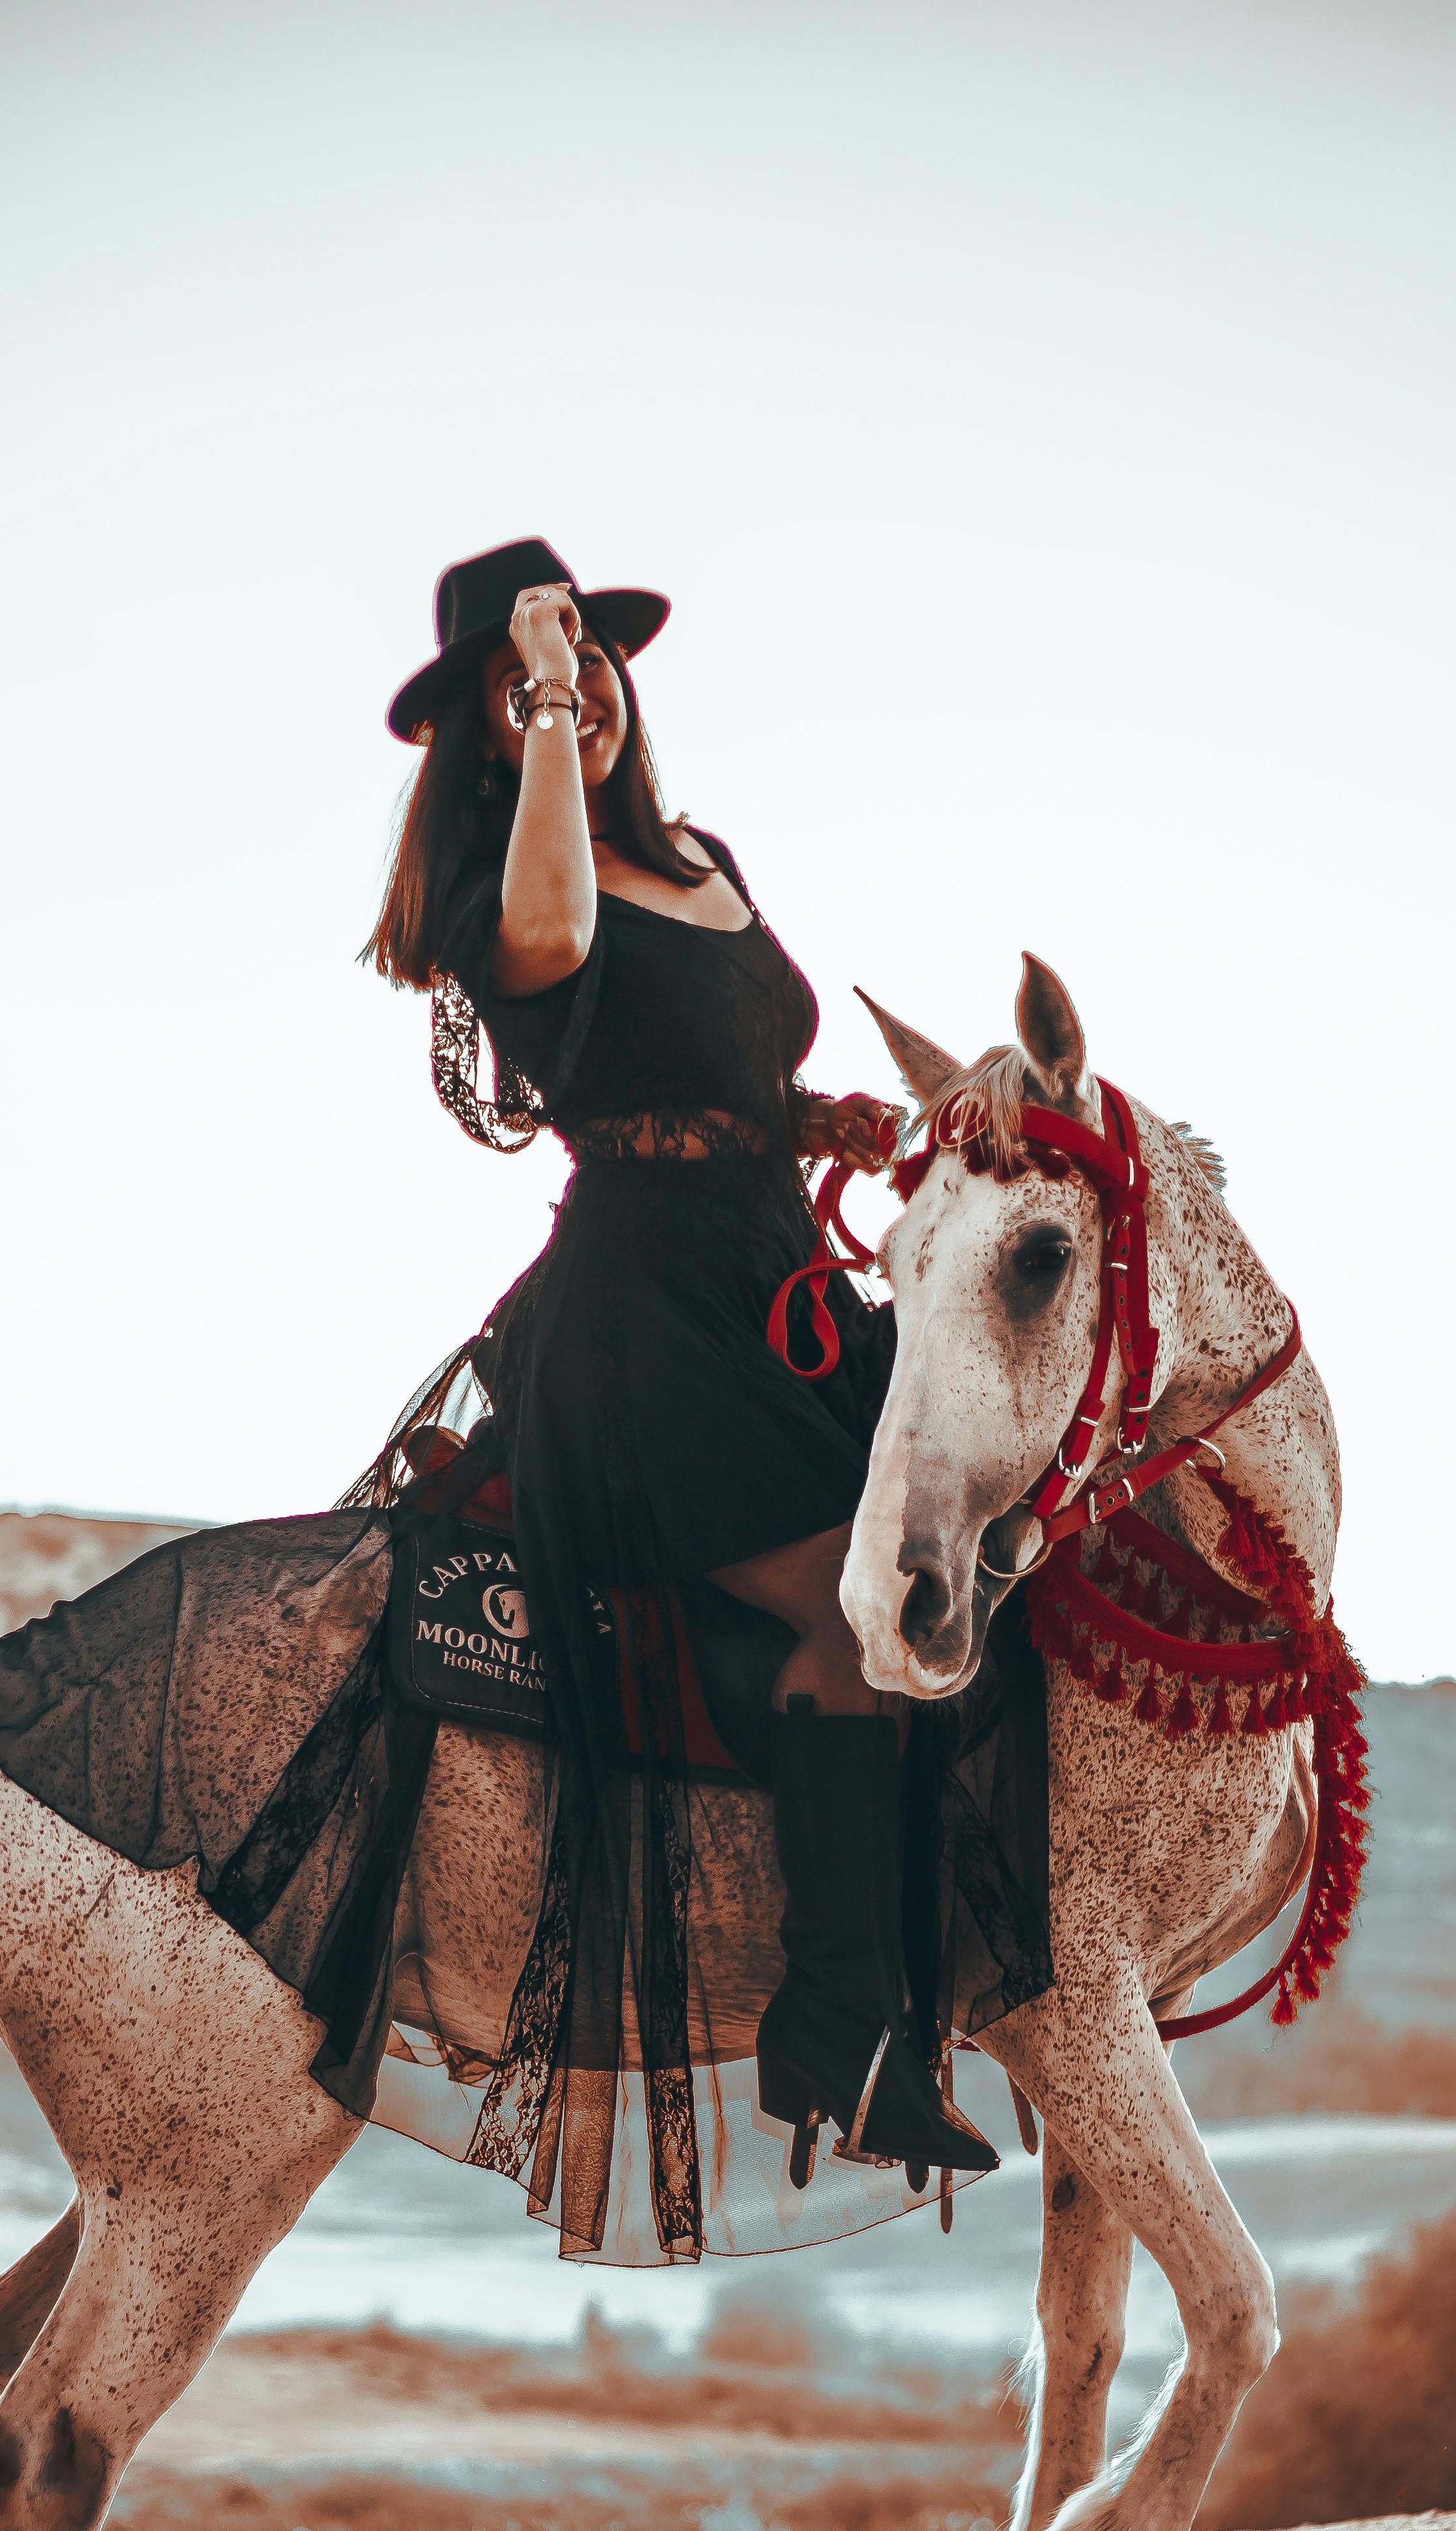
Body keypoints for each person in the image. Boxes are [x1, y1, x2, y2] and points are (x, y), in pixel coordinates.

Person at [366, 537, 999, 2228]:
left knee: (970, 1564)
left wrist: (820, 1125)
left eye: (582, 661)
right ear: (494, 729)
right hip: (641, 1324)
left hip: (771, 1273)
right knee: (855, 1618)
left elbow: (719, 1058)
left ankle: (973, 1959)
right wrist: (558, 709)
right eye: (521, 682)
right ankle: (839, 2031)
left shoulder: (705, 857)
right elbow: (574, 964)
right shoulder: (509, 878)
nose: (567, 691)